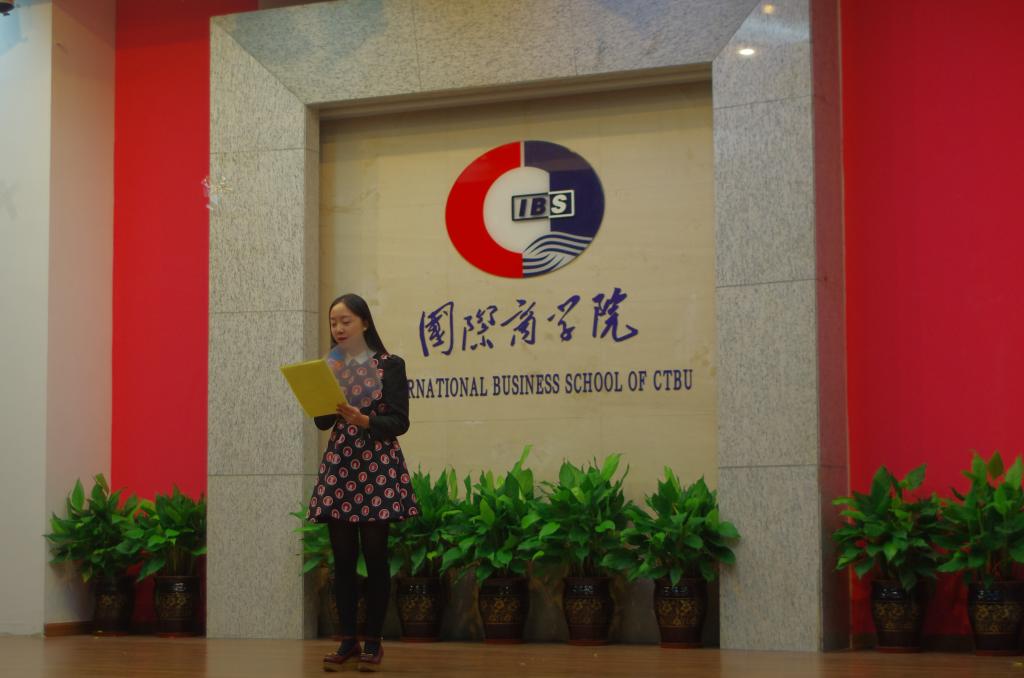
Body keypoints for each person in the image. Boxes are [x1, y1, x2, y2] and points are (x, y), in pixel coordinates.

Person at [307, 293, 419, 673]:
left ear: (365, 323)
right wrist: (320, 393)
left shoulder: (390, 365)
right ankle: (347, 641)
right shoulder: (331, 367)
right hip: (341, 467)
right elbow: (323, 422)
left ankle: (373, 641)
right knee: (342, 561)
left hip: (377, 468)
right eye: (333, 322)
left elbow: (400, 422)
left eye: (346, 321)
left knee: (374, 557)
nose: (338, 328)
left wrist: (364, 420)